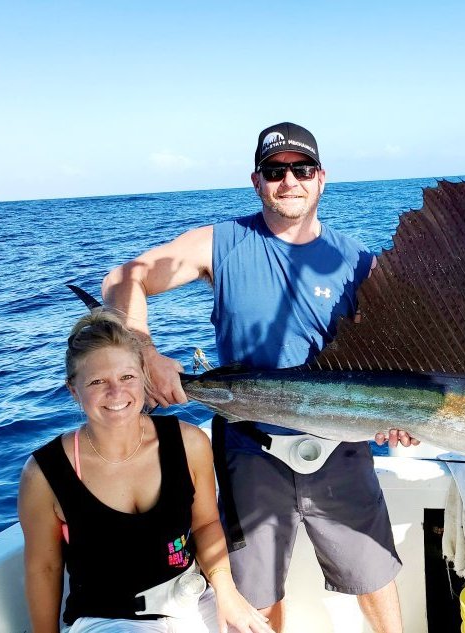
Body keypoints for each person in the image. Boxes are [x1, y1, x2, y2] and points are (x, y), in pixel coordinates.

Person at [100, 122, 412, 633]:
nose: (289, 180)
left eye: (301, 168)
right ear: (256, 180)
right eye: (275, 170)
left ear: (321, 178)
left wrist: (397, 420)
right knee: (256, 596)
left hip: (342, 446)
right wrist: (143, 350)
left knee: (374, 579)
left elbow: (393, 363)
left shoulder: (359, 262)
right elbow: (124, 277)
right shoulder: (219, 244)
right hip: (249, 450)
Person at [18, 310, 272, 633]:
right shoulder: (43, 474)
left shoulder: (190, 443)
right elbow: (45, 567)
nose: (116, 393)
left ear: (143, 377)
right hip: (106, 620)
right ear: (73, 390)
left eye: (127, 377)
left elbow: (206, 523)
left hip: (193, 601)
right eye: (97, 382)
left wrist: (227, 592)